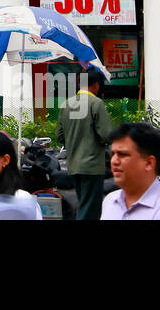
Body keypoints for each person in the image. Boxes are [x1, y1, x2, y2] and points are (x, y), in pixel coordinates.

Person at [55, 66, 114, 221]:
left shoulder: (67, 104)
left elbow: (60, 136)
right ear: (96, 85)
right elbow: (107, 135)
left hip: (73, 164)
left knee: (84, 205)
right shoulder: (96, 103)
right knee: (91, 210)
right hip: (92, 165)